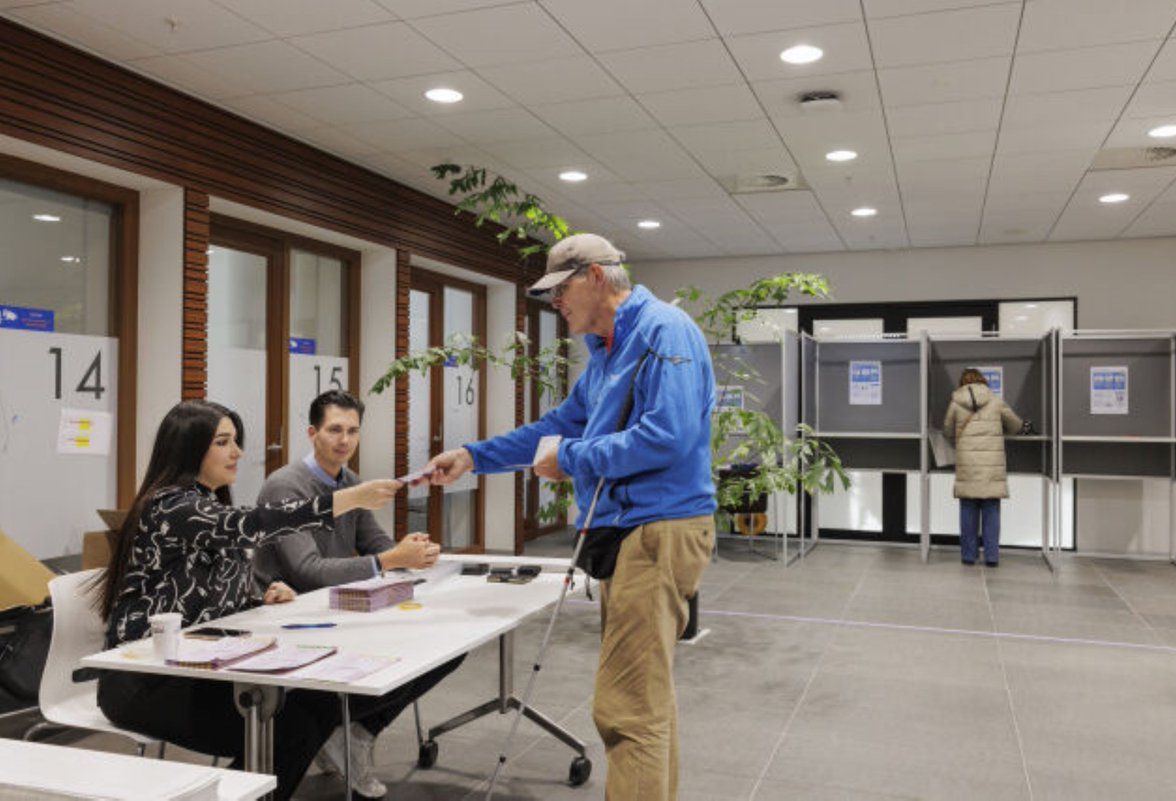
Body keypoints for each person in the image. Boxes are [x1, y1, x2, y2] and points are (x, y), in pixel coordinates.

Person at [420, 233, 716, 801]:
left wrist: (571, 458)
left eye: (561, 290)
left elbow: (668, 437)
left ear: (598, 277)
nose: (556, 303)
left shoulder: (663, 331)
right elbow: (554, 429)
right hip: (633, 533)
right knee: (646, 698)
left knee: (625, 708)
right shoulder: (606, 352)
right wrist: (472, 457)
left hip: (659, 530)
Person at [92, 400, 403, 800]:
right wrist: (347, 498)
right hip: (145, 682)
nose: (237, 452)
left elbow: (210, 596)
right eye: (223, 442)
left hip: (200, 667)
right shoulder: (171, 507)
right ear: (190, 449)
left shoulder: (206, 503)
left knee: (323, 705)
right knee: (293, 728)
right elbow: (252, 524)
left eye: (236, 441)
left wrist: (260, 597)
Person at [255, 389, 456, 796]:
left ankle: (357, 731)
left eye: (352, 431)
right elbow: (306, 572)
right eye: (334, 430)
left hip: (334, 609)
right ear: (312, 433)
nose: (344, 440)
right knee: (401, 653)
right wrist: (390, 560)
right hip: (282, 617)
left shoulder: (351, 482)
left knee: (443, 648)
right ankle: (335, 727)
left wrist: (408, 549)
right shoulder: (285, 487)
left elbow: (375, 544)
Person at [943, 368, 1024, 567]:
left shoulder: (956, 403)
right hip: (991, 468)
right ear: (983, 381)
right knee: (991, 511)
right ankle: (992, 557)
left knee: (968, 510)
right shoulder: (996, 401)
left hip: (967, 465)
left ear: (962, 382)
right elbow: (1015, 425)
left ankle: (968, 556)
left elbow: (947, 430)